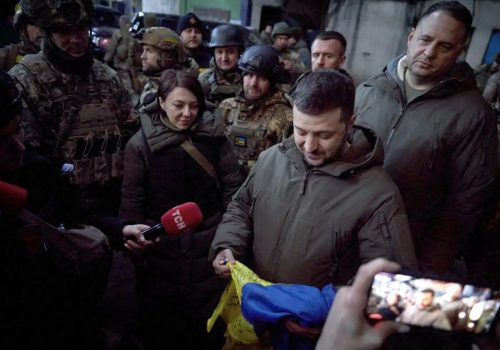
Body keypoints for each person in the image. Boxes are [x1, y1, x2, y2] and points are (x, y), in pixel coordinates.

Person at [211, 70, 417, 345]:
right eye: (301, 131)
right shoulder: (270, 160)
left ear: (350, 124)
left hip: (314, 336)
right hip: (255, 316)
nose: (310, 146)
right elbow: (240, 206)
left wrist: (333, 318)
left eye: (323, 135)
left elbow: (393, 287)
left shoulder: (378, 194)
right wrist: (228, 244)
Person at [354, 1, 497, 276]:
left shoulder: (474, 115)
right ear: (411, 37)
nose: (429, 53)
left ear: (460, 51)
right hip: (349, 242)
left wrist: (427, 267)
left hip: (410, 255)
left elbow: (466, 205)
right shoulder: (369, 91)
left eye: (445, 47)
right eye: (425, 40)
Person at [119, 69, 244, 350]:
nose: (187, 113)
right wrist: (135, 242)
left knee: (206, 329)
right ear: (161, 102)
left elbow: (233, 192)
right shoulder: (139, 145)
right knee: (161, 327)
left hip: (208, 248)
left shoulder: (215, 139)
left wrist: (228, 238)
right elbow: (131, 200)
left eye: (193, 106)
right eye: (178, 105)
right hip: (161, 252)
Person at [9, 0, 134, 223]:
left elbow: (131, 138)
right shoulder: (26, 80)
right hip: (62, 214)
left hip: (113, 208)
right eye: (64, 32)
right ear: (47, 33)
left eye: (81, 30)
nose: (76, 39)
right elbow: (26, 162)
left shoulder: (108, 77)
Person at [218, 44, 293, 171]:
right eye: (249, 75)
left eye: (262, 77)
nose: (253, 83)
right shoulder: (226, 107)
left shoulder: (285, 117)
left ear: (272, 81)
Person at [316, 258, 410, 350]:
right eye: (392, 295)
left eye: (395, 297)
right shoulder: (384, 310)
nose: (393, 297)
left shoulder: (395, 308)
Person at [137, 26, 198, 112]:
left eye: (149, 51)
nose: (142, 56)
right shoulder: (153, 84)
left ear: (167, 56)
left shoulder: (181, 89)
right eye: (143, 50)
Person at [198, 24, 244, 105]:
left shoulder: (248, 79)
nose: (224, 58)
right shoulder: (204, 80)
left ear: (239, 52)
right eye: (219, 52)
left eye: (230, 52)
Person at [104, 15, 143, 106]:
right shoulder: (130, 36)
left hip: (123, 70)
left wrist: (106, 61)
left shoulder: (119, 35)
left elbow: (111, 50)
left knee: (127, 93)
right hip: (128, 70)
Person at [0, 5, 42, 71]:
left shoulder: (58, 55)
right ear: (23, 28)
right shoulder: (5, 56)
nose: (43, 29)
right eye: (35, 23)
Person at [271, 21, 306, 85]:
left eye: (286, 39)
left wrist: (293, 67)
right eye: (280, 38)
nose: (283, 41)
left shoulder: (294, 56)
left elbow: (304, 71)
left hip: (286, 91)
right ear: (275, 39)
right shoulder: (268, 53)